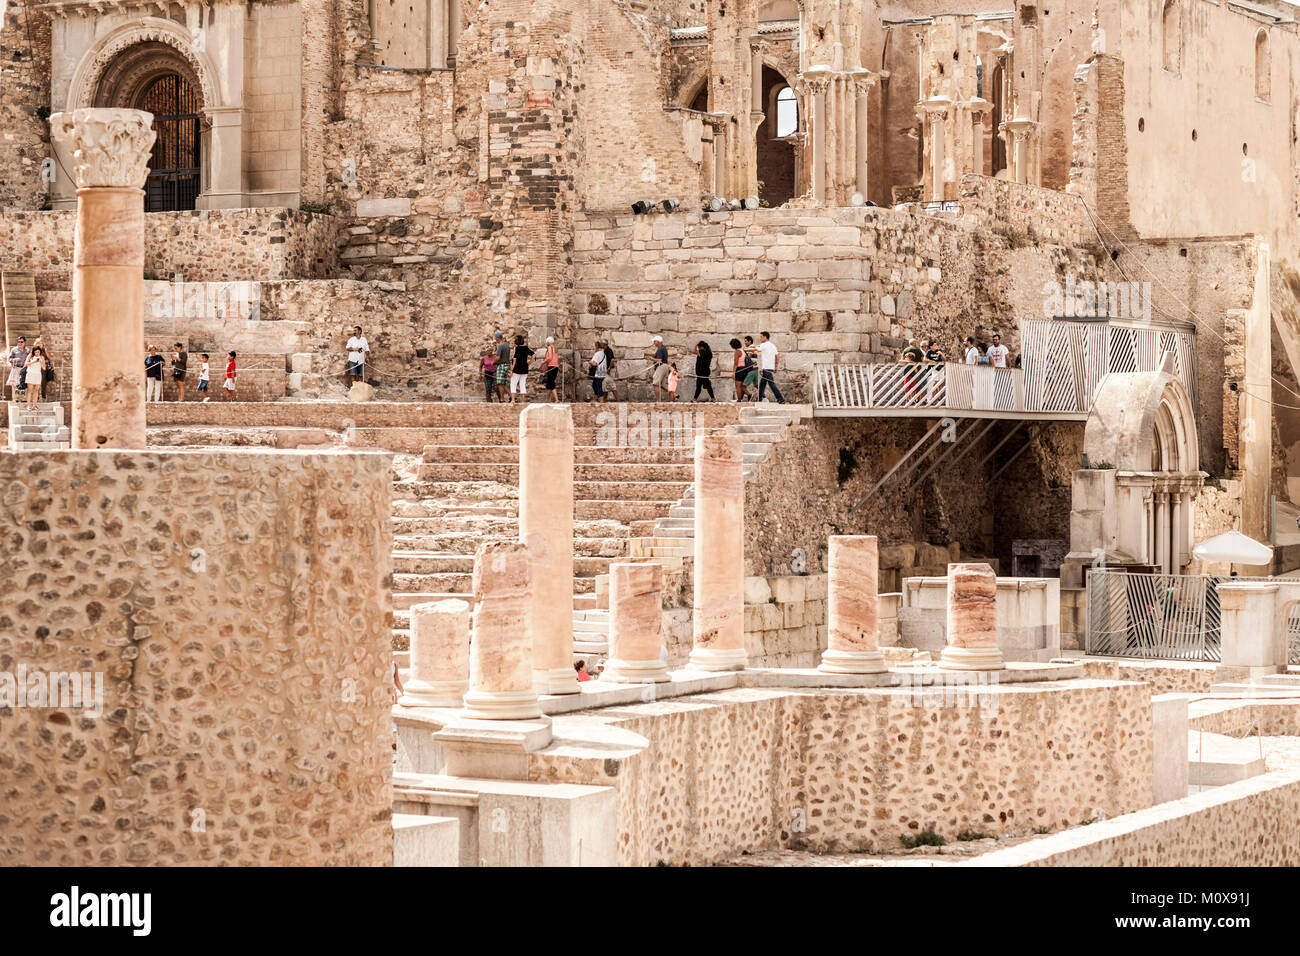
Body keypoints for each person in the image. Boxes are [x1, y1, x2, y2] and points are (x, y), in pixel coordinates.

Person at [756, 331, 785, 404]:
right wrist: (775, 366)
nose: (760, 338)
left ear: (765, 337)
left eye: (761, 337)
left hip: (766, 368)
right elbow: (777, 356)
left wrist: (747, 349)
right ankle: (759, 399)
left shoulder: (764, 344)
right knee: (762, 384)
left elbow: (756, 349)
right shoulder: (773, 346)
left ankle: (780, 398)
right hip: (770, 368)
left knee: (771, 384)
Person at [510, 334, 533, 403]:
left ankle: (513, 400)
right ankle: (523, 400)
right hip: (524, 368)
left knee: (513, 383)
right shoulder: (526, 348)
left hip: (517, 368)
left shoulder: (516, 348)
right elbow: (534, 355)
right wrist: (529, 363)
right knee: (522, 384)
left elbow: (514, 360)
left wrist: (511, 370)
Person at [646, 335, 669, 403]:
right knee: (662, 385)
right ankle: (674, 395)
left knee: (655, 384)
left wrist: (652, 358)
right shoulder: (664, 348)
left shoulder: (660, 349)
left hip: (661, 367)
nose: (654, 343)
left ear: (659, 342)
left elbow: (659, 360)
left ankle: (658, 401)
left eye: (655, 341)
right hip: (665, 366)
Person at [7, 336, 28, 401]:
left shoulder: (27, 350)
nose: (20, 343)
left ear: (24, 342)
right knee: (15, 383)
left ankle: (23, 398)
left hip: (24, 369)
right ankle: (15, 398)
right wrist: (15, 359)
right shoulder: (14, 349)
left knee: (24, 383)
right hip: (16, 368)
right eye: (18, 342)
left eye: (21, 342)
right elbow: (9, 359)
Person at [541, 336, 560, 401]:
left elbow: (550, 357)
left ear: (548, 342)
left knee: (551, 383)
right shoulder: (555, 348)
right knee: (549, 383)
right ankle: (547, 399)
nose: (546, 343)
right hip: (556, 366)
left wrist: (544, 361)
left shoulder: (549, 347)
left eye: (547, 342)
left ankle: (556, 399)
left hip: (551, 366)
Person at [493, 331, 510, 402]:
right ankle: (511, 396)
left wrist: (493, 362)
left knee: (500, 383)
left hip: (501, 365)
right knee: (504, 383)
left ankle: (502, 399)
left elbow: (498, 357)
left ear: (497, 338)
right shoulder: (507, 345)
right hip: (507, 365)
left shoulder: (500, 346)